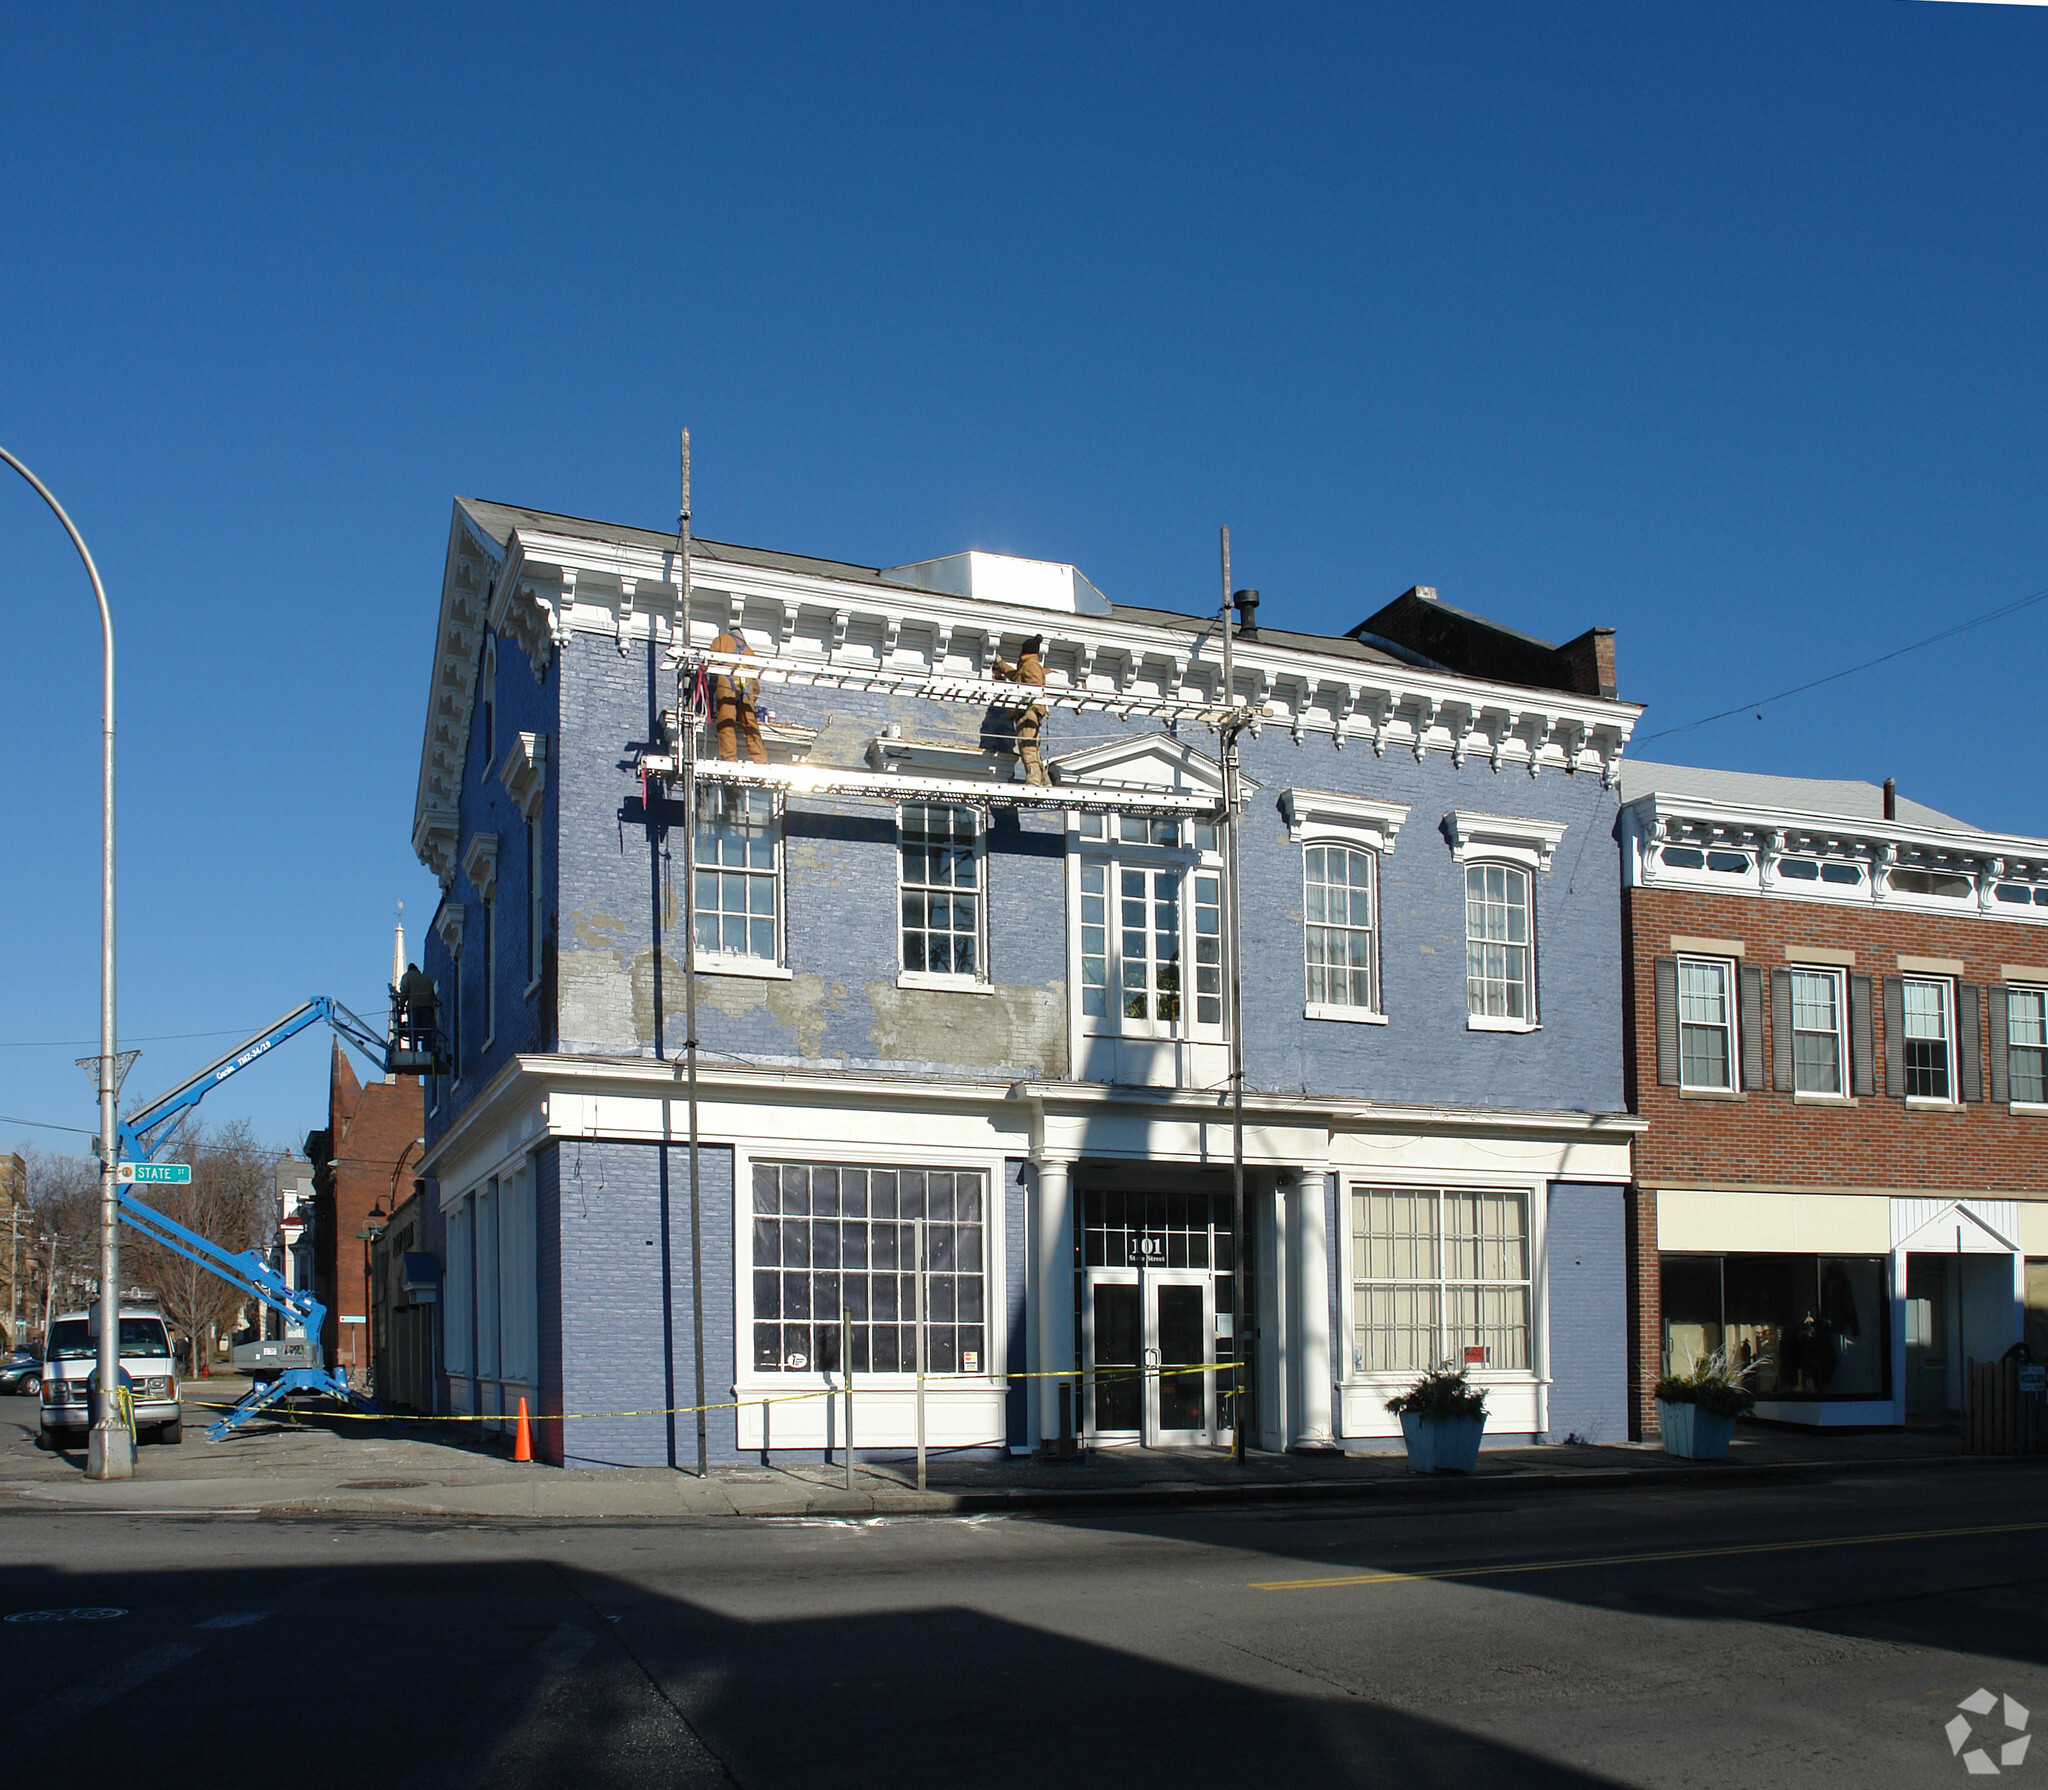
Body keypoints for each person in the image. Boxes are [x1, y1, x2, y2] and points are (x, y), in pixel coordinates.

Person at [992, 636, 1050, 786]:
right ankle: (1043, 780)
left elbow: (1034, 687)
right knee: (1032, 747)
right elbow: (1015, 677)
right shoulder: (1027, 665)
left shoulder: (1031, 665)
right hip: (1029, 712)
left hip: (1028, 712)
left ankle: (1034, 780)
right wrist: (1001, 665)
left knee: (1027, 746)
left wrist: (1028, 704)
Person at [708, 630, 766, 763]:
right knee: (750, 722)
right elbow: (756, 685)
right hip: (747, 685)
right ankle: (760, 758)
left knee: (726, 720)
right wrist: (752, 699)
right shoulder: (749, 650)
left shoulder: (721, 640)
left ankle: (729, 757)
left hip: (727, 681)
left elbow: (712, 664)